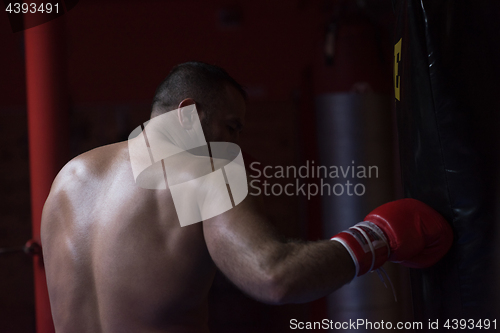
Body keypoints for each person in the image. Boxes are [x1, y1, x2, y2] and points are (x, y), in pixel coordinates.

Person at [41, 62, 453, 333]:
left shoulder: (67, 179)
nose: (235, 144)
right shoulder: (204, 167)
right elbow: (274, 277)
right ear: (188, 114)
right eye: (232, 126)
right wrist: (377, 237)